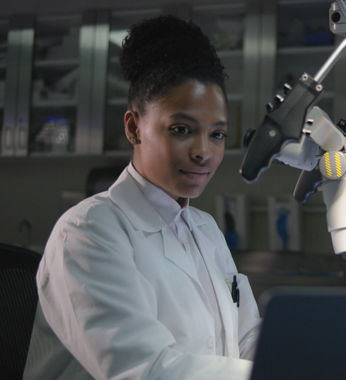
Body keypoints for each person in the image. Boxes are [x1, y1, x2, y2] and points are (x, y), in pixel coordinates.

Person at [24, 15, 261, 380]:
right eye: (181, 129)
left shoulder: (205, 229)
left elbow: (246, 337)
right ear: (134, 127)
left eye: (216, 134)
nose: (203, 152)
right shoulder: (86, 233)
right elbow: (144, 370)